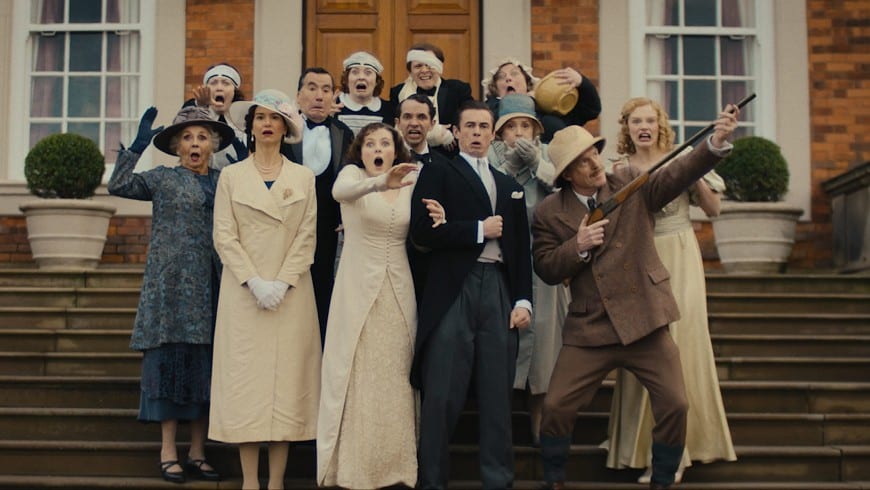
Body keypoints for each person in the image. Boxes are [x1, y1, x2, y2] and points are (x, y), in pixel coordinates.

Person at [530, 103, 739, 490]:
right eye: (582, 161)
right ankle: (554, 480)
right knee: (556, 407)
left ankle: (662, 480)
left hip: (645, 318)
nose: (594, 163)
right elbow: (545, 267)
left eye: (594, 153)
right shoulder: (549, 212)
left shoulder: (628, 180)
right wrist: (576, 246)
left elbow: (676, 175)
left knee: (675, 403)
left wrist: (713, 143)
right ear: (565, 174)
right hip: (590, 327)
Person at [603, 97, 737, 483]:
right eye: (634, 121)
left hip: (679, 253)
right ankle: (635, 445)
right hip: (639, 259)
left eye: (649, 120)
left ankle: (678, 452)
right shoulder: (619, 169)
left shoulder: (683, 160)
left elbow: (714, 211)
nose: (642, 127)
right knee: (644, 346)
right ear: (626, 128)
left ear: (660, 125)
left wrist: (691, 172)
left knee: (682, 344)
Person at [108, 105, 235, 484]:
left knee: (204, 370)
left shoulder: (224, 181)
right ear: (177, 147)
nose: (195, 144)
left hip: (212, 284)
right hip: (169, 289)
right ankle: (168, 451)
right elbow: (119, 186)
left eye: (201, 138)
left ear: (211, 146)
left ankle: (197, 451)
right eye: (187, 138)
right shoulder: (162, 178)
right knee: (168, 367)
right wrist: (136, 145)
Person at [410, 100, 533, 489]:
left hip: (498, 288)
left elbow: (521, 249)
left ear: (493, 133)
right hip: (453, 289)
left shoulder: (511, 186)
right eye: (470, 126)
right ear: (457, 132)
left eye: (484, 126)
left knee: (498, 394)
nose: (478, 133)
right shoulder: (438, 173)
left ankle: (499, 480)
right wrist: (478, 229)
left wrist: (523, 299)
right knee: (442, 393)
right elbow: (423, 234)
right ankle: (432, 481)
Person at [209, 89, 320, 490]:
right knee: (247, 386)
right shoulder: (232, 176)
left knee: (287, 386)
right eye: (260, 118)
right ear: (251, 126)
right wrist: (254, 281)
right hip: (244, 294)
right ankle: (249, 481)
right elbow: (224, 235)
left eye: (275, 118)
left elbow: (307, 236)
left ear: (286, 127)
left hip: (290, 293)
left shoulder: (303, 177)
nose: (267, 124)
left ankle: (276, 482)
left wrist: (282, 281)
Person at [317, 123, 421, 489]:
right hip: (357, 285)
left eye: (385, 143)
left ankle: (396, 466)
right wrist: (380, 183)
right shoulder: (353, 175)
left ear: (397, 150)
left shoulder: (412, 179)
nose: (378, 149)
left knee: (395, 373)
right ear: (360, 151)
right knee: (358, 372)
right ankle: (354, 469)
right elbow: (339, 192)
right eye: (370, 144)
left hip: (399, 286)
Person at [486, 94, 569, 445]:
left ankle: (541, 424)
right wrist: (508, 170)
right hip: (501, 263)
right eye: (510, 127)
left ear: (535, 129)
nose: (518, 133)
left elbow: (565, 190)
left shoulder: (548, 156)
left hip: (542, 264)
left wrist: (537, 164)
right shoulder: (489, 158)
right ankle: (499, 427)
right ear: (499, 132)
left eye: (525, 125)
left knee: (546, 347)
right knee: (503, 344)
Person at [283, 67, 355, 341]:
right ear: (299, 95)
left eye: (326, 89)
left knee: (323, 295)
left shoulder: (343, 133)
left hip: (328, 230)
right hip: (288, 227)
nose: (319, 96)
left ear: (334, 96)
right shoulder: (283, 131)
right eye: (312, 88)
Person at [481, 57, 601, 142]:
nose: (508, 78)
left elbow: (591, 110)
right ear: (495, 88)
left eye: (514, 74)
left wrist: (581, 82)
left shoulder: (547, 108)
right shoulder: (489, 111)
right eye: (501, 77)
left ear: (527, 83)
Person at [390, 43, 473, 156]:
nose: (424, 70)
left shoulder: (458, 90)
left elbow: (468, 124)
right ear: (410, 71)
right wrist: (437, 133)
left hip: (449, 159)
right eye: (418, 66)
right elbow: (395, 130)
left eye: (430, 65)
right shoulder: (398, 93)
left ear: (439, 67)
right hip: (408, 157)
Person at [181, 62, 248, 169]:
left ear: (234, 91)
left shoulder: (245, 119)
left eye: (226, 83)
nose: (219, 88)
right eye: (213, 83)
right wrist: (200, 106)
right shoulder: (195, 108)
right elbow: (182, 123)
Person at [334, 51, 394, 135]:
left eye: (368, 72)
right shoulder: (334, 106)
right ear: (346, 79)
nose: (361, 77)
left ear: (377, 81)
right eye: (355, 72)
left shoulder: (388, 110)